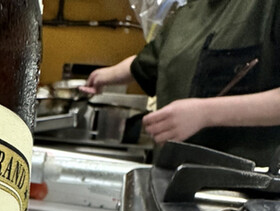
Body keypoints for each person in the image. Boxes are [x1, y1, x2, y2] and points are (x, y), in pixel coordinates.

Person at [81, 0, 280, 166]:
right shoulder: (189, 13)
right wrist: (104, 75)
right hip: (174, 179)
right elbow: (155, 60)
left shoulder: (266, 8)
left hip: (244, 190)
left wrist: (205, 113)